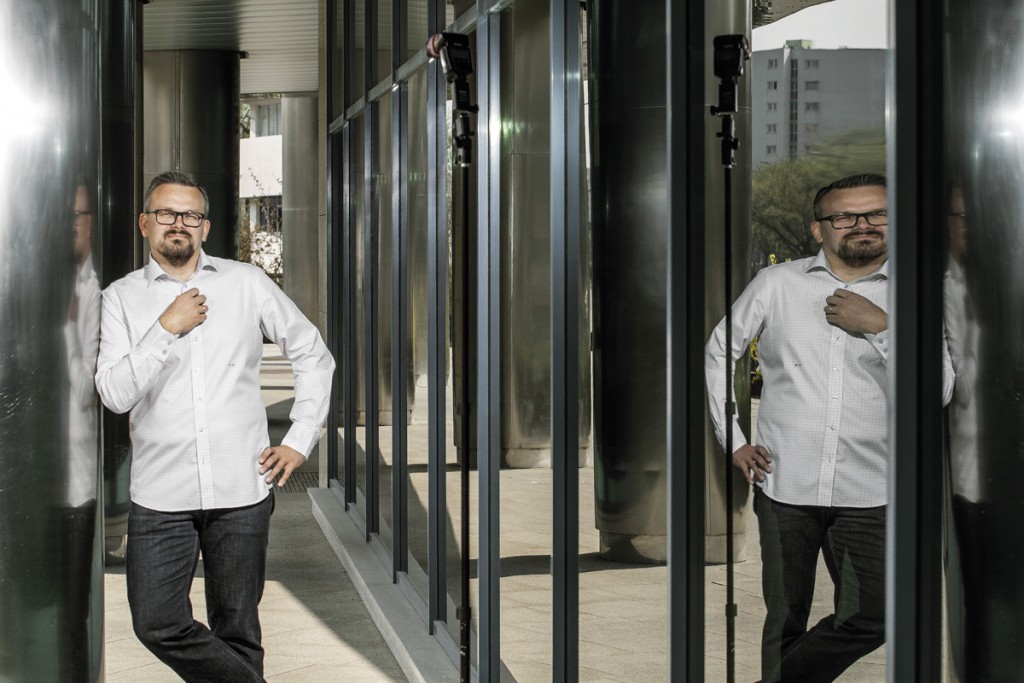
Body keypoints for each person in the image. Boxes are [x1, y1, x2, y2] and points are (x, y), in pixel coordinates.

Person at [705, 173, 953, 682]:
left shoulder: (920, 292)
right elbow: (719, 352)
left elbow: (939, 390)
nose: (862, 224)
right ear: (819, 229)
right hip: (785, 483)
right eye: (844, 216)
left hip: (874, 488)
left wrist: (881, 326)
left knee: (876, 615)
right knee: (785, 618)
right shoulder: (777, 283)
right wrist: (734, 440)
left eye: (877, 213)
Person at [95, 170, 335, 682]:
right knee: (157, 622)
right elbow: (114, 395)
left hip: (241, 488)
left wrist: (299, 439)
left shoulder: (246, 282)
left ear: (205, 226)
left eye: (191, 215)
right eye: (166, 213)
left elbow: (312, 353)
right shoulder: (119, 298)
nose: (178, 223)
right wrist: (165, 327)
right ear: (145, 223)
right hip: (160, 495)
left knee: (237, 631)